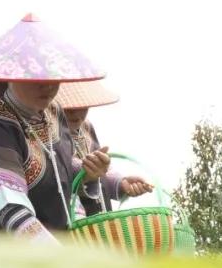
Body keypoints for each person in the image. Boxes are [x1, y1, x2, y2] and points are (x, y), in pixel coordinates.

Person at [0, 14, 112, 243]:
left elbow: (63, 173)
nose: (48, 87)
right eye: (36, 78)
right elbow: (9, 208)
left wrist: (88, 173)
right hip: (5, 266)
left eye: (53, 77)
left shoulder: (54, 113)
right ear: (10, 75)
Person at [57, 80, 154, 216]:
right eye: (69, 104)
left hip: (97, 222)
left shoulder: (86, 128)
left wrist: (121, 183)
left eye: (82, 103)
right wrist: (87, 169)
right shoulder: (46, 130)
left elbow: (102, 173)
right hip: (64, 221)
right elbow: (60, 168)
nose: (77, 111)